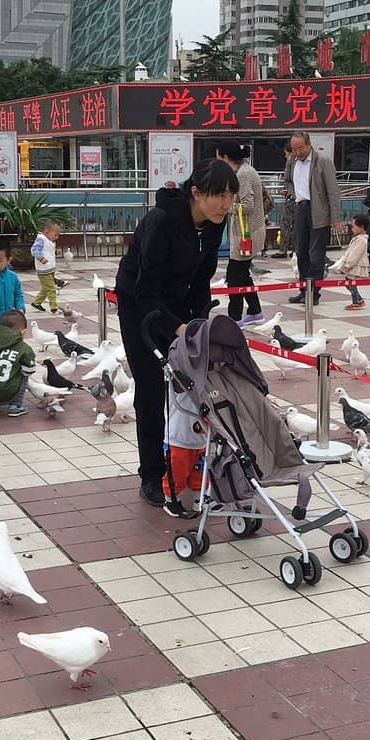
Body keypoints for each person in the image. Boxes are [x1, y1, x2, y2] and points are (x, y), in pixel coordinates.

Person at [115, 159, 234, 507]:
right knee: (151, 390)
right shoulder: (162, 220)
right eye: (220, 196)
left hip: (178, 302)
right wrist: (175, 328)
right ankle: (152, 474)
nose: (226, 204)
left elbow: (201, 280)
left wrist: (198, 326)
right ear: (196, 193)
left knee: (190, 387)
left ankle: (192, 465)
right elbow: (145, 287)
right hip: (140, 306)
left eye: (230, 197)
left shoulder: (215, 223)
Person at [283, 132, 342, 304]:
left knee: (316, 254)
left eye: (300, 148)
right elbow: (287, 181)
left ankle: (314, 293)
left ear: (309, 145)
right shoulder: (291, 161)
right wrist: (294, 194)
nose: (297, 152)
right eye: (294, 149)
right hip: (300, 209)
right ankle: (303, 290)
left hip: (319, 211)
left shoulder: (323, 162)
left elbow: (333, 190)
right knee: (301, 253)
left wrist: (335, 216)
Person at [216, 141, 266, 327]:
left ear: (227, 158)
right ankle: (255, 311)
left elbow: (248, 206)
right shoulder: (242, 171)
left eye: (219, 157)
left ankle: (234, 318)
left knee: (234, 276)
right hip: (244, 232)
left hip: (247, 233)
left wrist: (227, 206)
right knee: (241, 274)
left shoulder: (244, 174)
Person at [161, 382, 207, 518]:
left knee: (200, 472)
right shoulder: (179, 375)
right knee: (176, 472)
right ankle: (171, 499)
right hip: (178, 438)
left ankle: (200, 497)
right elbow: (179, 381)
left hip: (200, 436)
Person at [29, 219, 62, 312]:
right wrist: (41, 258)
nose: (57, 237)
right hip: (44, 270)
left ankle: (36, 303)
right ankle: (54, 308)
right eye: (55, 234)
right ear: (47, 232)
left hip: (49, 269)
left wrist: (55, 251)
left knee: (46, 288)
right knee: (51, 289)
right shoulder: (41, 239)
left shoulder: (48, 240)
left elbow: (47, 251)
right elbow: (34, 250)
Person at [339, 214, 370, 311]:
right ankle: (359, 300)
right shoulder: (357, 239)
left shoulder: (361, 240)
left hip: (355, 266)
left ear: (361, 227)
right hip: (352, 265)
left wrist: (347, 265)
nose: (351, 228)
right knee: (349, 284)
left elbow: (355, 255)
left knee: (351, 284)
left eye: (353, 226)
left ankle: (356, 302)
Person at [272, 143, 296, 259]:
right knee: (297, 226)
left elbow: (289, 181)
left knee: (285, 224)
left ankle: (283, 250)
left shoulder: (291, 162)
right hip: (299, 200)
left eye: (286, 154)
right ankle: (296, 250)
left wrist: (289, 191)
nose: (285, 156)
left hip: (292, 200)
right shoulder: (301, 162)